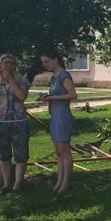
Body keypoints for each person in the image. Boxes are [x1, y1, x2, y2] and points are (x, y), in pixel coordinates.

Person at [0, 54, 30, 191]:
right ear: (0, 65)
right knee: (3, 153)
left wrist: (11, 80)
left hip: (19, 121)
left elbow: (22, 96)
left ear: (15, 66)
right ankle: (6, 183)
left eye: (11, 63)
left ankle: (17, 184)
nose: (8, 65)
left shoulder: (22, 80)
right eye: (5, 62)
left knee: (20, 153)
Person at [39, 53, 77, 193]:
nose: (45, 65)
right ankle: (59, 181)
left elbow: (73, 95)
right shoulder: (53, 78)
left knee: (64, 151)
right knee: (58, 152)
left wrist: (53, 97)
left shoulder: (63, 75)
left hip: (63, 116)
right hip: (54, 116)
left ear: (56, 59)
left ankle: (65, 183)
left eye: (47, 61)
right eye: (43, 62)